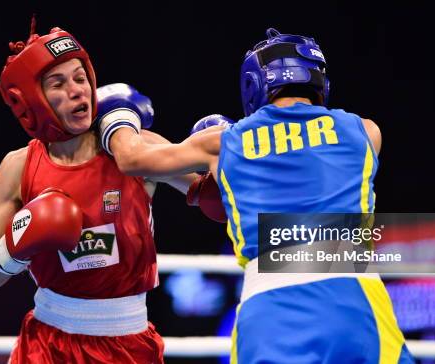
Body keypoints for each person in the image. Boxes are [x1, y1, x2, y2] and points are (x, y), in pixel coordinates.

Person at [98, 28, 415, 363]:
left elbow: (133, 158)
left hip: (270, 307)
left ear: (254, 84)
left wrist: (118, 111)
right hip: (355, 300)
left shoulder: (225, 142)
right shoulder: (365, 131)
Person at [0, 22, 203, 363]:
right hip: (45, 343)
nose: (77, 91)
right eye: (58, 84)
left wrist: (227, 153)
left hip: (128, 343)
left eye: (80, 78)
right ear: (32, 99)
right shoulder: (17, 168)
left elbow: (217, 201)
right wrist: (16, 247)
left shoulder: (133, 151)